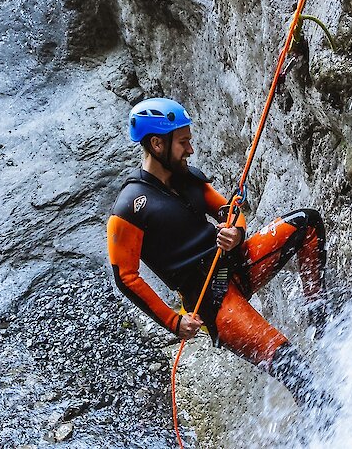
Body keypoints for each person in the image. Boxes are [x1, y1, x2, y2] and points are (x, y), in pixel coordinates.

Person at [106, 97, 330, 408]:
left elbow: (231, 210)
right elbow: (126, 277)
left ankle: (319, 314)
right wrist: (174, 322)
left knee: (308, 223)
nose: (190, 149)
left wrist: (236, 233)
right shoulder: (129, 208)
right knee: (289, 364)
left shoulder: (188, 178)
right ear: (157, 144)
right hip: (213, 300)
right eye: (183, 142)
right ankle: (327, 419)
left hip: (235, 263)